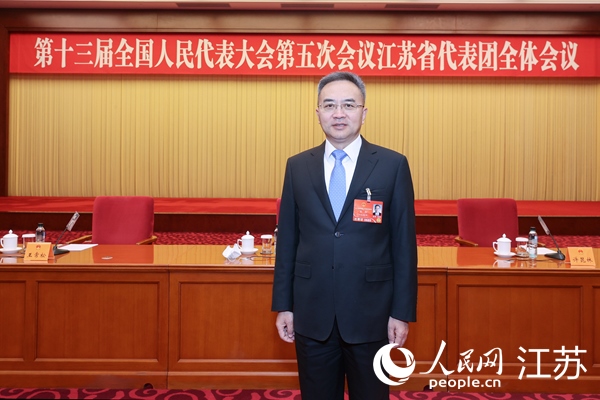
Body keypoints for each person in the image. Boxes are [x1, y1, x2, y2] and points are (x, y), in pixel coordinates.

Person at [271, 71, 418, 400]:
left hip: (372, 314)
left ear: (363, 113)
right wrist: (284, 305)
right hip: (312, 313)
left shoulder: (392, 165)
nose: (339, 113)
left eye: (349, 105)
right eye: (329, 105)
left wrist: (401, 311)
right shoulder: (298, 166)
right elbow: (288, 242)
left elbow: (404, 245)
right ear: (318, 113)